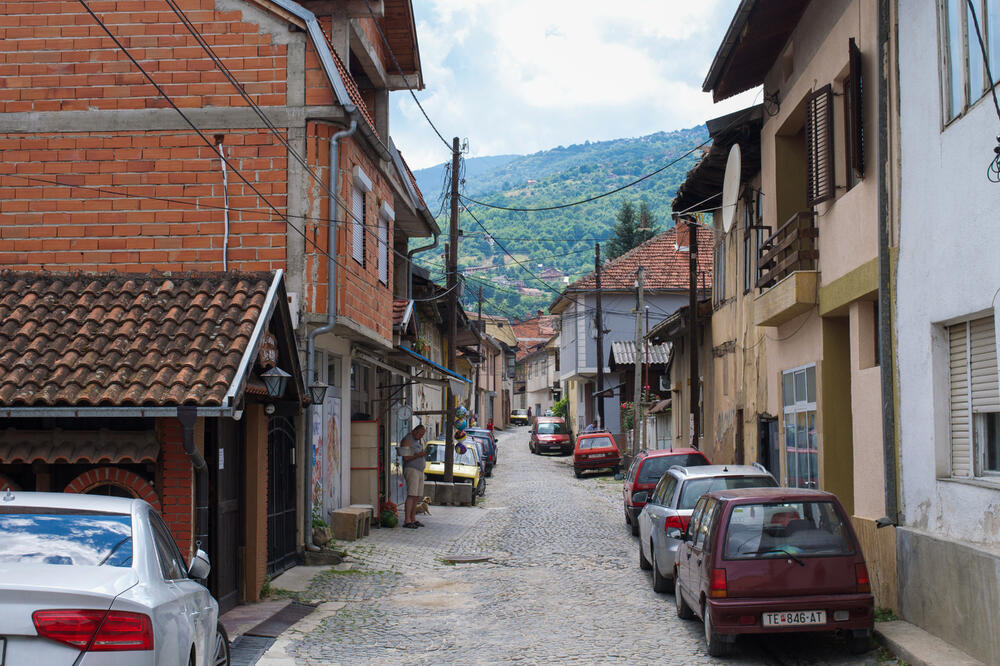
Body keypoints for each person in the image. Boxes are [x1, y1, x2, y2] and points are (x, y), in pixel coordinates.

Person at [398, 424, 427, 528]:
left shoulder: (417, 441)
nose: (421, 436)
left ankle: (413, 518)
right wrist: (419, 455)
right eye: (420, 434)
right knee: (411, 494)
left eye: (423, 434)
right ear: (415, 431)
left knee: (416, 496)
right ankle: (407, 520)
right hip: (411, 469)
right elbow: (406, 457)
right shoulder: (407, 440)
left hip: (419, 470)